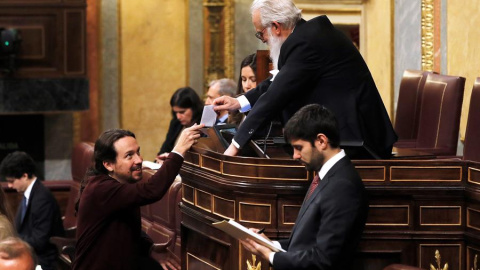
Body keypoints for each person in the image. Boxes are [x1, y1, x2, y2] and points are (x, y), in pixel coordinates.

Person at [213, 0, 397, 159]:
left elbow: (275, 95)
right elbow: (277, 83)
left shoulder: (306, 43)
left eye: (261, 33)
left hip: (359, 141)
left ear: (276, 27)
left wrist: (235, 146)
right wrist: (239, 102)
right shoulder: (305, 36)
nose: (263, 40)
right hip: (346, 134)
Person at [241, 104, 368, 270]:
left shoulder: (343, 186)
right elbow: (306, 243)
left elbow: (324, 259)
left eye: (299, 148)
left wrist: (269, 255)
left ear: (321, 141)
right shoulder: (328, 176)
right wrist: (270, 244)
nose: (295, 156)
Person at [73, 124, 204, 270]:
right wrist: (178, 151)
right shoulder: (101, 189)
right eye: (129, 155)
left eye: (138, 152)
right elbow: (152, 190)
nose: (139, 160)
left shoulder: (117, 186)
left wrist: (149, 248)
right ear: (108, 164)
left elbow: (126, 225)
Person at [0, 151, 64, 270]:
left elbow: (40, 240)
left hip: (42, 261)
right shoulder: (29, 194)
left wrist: (11, 242)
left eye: (11, 181)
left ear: (24, 176)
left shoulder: (43, 199)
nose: (9, 186)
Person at [156, 87, 203, 163]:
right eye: (175, 112)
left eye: (182, 112)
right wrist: (161, 159)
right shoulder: (176, 123)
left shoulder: (204, 125)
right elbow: (165, 148)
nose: (178, 117)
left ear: (194, 108)